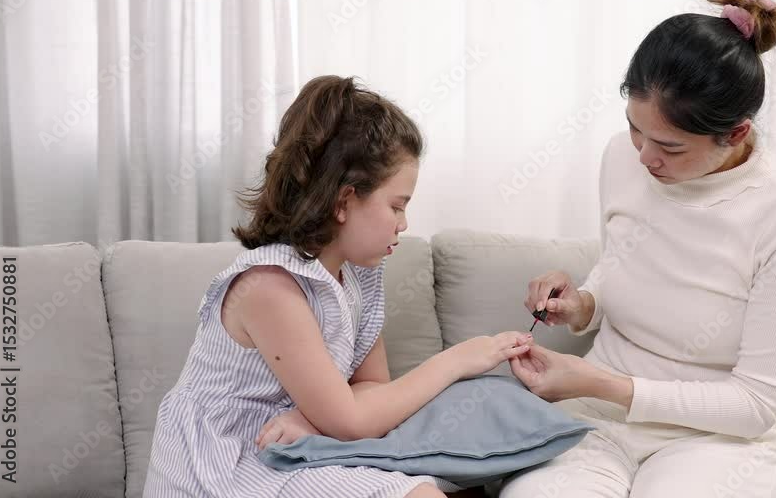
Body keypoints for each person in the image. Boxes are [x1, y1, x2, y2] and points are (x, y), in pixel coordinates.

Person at [499, 0, 776, 498]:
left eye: (670, 147)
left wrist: (600, 383)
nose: (643, 157)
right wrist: (583, 304)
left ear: (737, 132)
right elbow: (622, 266)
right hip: (594, 423)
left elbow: (754, 405)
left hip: (716, 442)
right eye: (635, 128)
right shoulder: (622, 157)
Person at [142, 75, 534, 498]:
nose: (403, 224)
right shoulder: (269, 287)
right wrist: (457, 360)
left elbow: (372, 390)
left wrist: (315, 420)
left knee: (431, 486)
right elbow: (353, 420)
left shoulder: (358, 278)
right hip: (226, 462)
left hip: (298, 446)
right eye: (397, 206)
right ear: (344, 201)